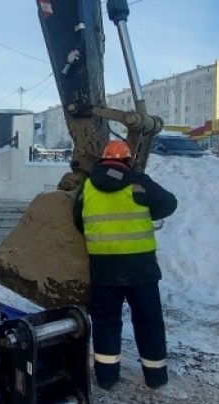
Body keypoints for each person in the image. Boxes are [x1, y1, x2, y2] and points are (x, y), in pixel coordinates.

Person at [72, 139, 178, 391]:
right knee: (148, 321)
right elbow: (169, 204)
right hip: (140, 268)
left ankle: (107, 378)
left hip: (103, 268)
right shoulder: (139, 183)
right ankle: (155, 377)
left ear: (102, 160)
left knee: (106, 322)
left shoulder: (87, 187)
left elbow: (78, 221)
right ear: (127, 161)